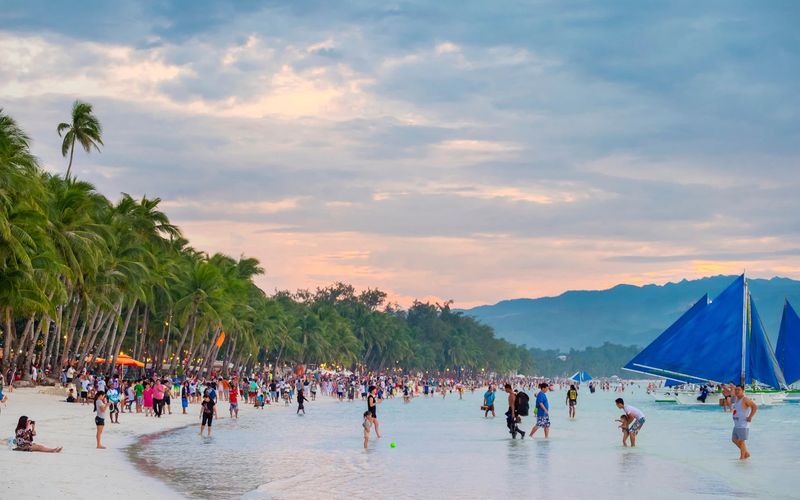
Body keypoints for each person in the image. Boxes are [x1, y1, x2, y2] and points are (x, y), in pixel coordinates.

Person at [731, 384, 757, 460]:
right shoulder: (737, 399)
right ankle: (746, 453)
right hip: (736, 424)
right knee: (734, 440)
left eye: (738, 390)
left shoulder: (745, 399)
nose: (736, 391)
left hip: (743, 424)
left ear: (743, 391)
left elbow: (754, 407)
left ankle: (742, 458)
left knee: (741, 441)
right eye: (736, 390)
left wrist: (750, 417)